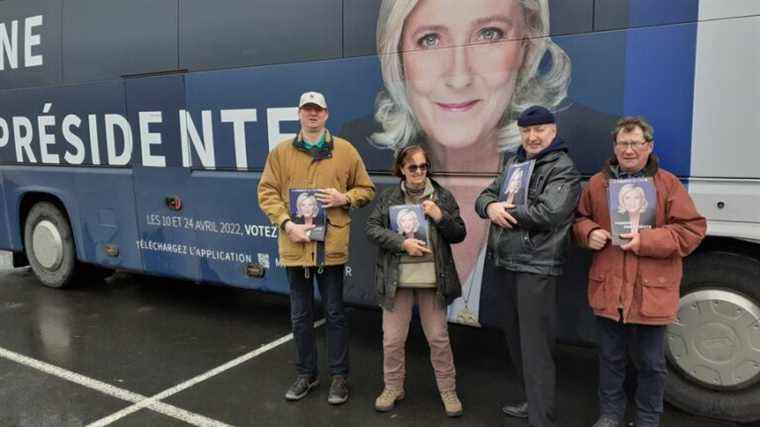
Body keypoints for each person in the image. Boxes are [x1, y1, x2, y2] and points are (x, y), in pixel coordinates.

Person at [342, 0, 573, 326]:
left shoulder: (533, 168)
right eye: (430, 40)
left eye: (489, 34)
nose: (459, 76)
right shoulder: (354, 139)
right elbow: (374, 229)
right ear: (398, 58)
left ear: (526, 45)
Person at [573, 117, 706, 427]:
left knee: (651, 363)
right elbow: (578, 220)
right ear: (614, 147)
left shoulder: (668, 184)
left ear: (649, 147)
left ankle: (648, 419)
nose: (629, 150)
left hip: (651, 291)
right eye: (623, 143)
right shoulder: (597, 184)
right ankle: (610, 414)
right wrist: (587, 232)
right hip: (610, 289)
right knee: (610, 359)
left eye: (635, 143)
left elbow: (692, 230)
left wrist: (645, 240)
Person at [257, 91, 375, 405]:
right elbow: (267, 192)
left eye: (317, 110)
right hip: (296, 247)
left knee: (335, 313)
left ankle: (339, 377)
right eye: (307, 110)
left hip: (330, 247)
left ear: (326, 114)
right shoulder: (281, 152)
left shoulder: (345, 151)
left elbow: (367, 188)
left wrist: (344, 198)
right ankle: (306, 374)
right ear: (299, 114)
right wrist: (286, 223)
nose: (312, 115)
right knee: (300, 316)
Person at [475, 105, 581, 426]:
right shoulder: (514, 162)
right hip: (506, 262)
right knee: (516, 341)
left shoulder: (563, 168)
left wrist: (504, 213)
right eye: (526, 131)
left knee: (536, 347)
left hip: (537, 265)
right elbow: (484, 196)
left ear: (553, 131)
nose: (532, 137)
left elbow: (551, 213)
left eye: (539, 130)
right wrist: (490, 206)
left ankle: (541, 417)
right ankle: (530, 402)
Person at [366, 144, 466, 417]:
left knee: (438, 338)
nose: (419, 172)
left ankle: (448, 390)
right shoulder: (388, 197)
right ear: (401, 169)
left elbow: (459, 233)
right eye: (413, 167)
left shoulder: (441, 196)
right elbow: (371, 229)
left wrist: (440, 216)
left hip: (433, 282)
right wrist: (402, 243)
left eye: (424, 167)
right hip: (397, 281)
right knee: (392, 340)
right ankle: (393, 387)